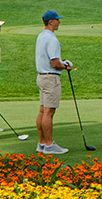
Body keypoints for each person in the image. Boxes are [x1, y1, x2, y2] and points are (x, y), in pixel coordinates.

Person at [34, 10, 76, 154]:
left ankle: (41, 143)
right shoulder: (52, 39)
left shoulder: (41, 36)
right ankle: (49, 144)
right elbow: (55, 63)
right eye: (57, 19)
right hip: (50, 78)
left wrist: (61, 63)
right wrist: (66, 65)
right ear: (51, 21)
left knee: (42, 110)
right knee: (49, 112)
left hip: (41, 76)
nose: (59, 22)